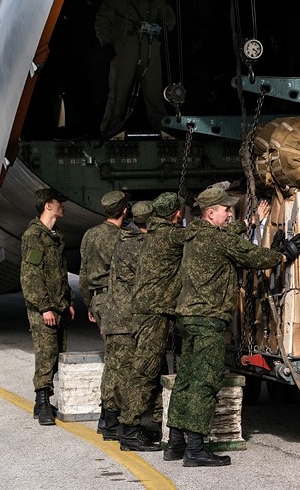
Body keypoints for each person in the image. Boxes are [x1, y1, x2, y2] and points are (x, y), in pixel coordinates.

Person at [166, 185, 300, 467]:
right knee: (204, 382)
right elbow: (254, 258)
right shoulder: (220, 241)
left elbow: (227, 237)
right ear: (210, 213)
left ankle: (175, 442)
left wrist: (248, 223)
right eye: (226, 209)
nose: (230, 213)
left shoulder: (194, 235)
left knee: (185, 380)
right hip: (208, 321)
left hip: (189, 318)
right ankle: (195, 449)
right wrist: (284, 253)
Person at [120, 192, 186, 456]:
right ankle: (129, 429)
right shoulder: (169, 234)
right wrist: (243, 224)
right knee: (144, 372)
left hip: (148, 311)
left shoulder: (153, 233)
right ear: (177, 215)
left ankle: (132, 426)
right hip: (153, 312)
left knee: (148, 368)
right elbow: (204, 237)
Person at [96, 200, 159, 452]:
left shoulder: (122, 240)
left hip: (112, 314)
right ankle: (120, 427)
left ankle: (110, 422)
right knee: (126, 373)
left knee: (115, 370)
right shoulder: (140, 246)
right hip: (126, 319)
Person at [95, 0, 176, 134]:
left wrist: (162, 29)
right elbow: (102, 21)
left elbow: (169, 17)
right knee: (117, 94)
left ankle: (162, 131)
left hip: (150, 51)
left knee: (154, 95)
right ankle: (108, 132)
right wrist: (106, 43)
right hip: (124, 51)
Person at [21, 188, 75, 426]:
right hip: (43, 309)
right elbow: (30, 276)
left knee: (56, 354)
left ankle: (43, 402)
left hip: (59, 305)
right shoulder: (34, 236)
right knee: (45, 354)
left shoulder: (54, 235)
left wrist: (68, 300)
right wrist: (44, 308)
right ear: (48, 206)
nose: (63, 206)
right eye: (59, 202)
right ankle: (42, 402)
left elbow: (59, 274)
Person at [79, 190, 129, 439]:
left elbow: (83, 274)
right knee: (117, 361)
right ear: (125, 211)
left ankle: (108, 417)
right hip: (115, 300)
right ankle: (110, 418)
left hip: (98, 300)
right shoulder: (122, 238)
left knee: (113, 355)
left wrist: (90, 304)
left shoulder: (90, 234)